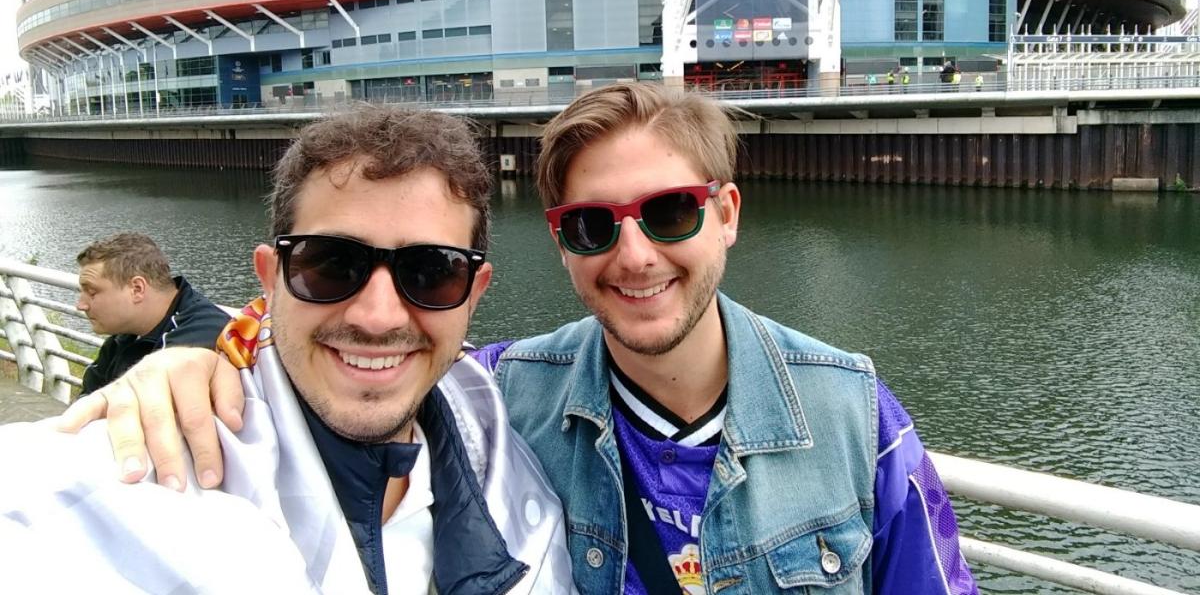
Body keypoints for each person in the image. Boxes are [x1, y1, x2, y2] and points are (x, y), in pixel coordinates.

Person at [66, 85, 977, 594]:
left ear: (727, 213)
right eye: (591, 226)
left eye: (668, 214)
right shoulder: (498, 396)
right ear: (559, 242)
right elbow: (362, 356)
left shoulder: (855, 416)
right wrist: (192, 359)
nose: (633, 255)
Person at [1, 107, 574, 594]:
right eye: (330, 265)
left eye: (431, 273)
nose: (378, 316)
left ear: (472, 296)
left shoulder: (502, 418)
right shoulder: (139, 476)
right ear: (270, 279)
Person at [75, 232, 231, 394]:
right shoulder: (127, 334)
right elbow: (88, 396)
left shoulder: (202, 336)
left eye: (92, 292)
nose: (81, 305)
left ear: (137, 289)